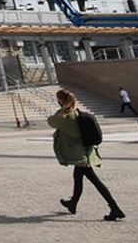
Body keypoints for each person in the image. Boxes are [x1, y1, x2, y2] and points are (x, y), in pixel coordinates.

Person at [48, 89, 125, 221]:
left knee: (96, 182)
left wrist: (63, 109)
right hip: (85, 152)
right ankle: (72, 203)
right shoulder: (77, 113)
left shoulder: (66, 117)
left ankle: (115, 208)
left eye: (58, 99)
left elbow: (50, 121)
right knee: (78, 178)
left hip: (80, 154)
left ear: (61, 101)